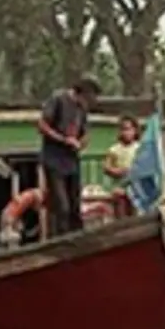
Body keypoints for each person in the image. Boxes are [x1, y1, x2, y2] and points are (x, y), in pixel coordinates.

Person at [37, 76, 101, 236]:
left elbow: (86, 131)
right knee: (62, 205)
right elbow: (42, 125)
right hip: (54, 158)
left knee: (75, 204)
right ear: (82, 93)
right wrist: (63, 139)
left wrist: (81, 142)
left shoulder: (82, 108)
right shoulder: (58, 99)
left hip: (72, 159)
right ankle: (62, 238)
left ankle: (78, 238)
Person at [103, 115, 141, 218]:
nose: (126, 133)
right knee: (121, 217)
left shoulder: (139, 148)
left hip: (136, 189)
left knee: (135, 217)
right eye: (123, 129)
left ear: (135, 131)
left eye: (129, 129)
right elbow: (106, 167)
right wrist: (117, 171)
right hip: (119, 189)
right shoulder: (114, 149)